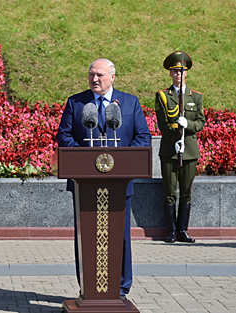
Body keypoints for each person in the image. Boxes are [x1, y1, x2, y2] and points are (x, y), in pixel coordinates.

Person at [56, 58, 151, 299]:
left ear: (112, 77)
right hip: (84, 184)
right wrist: (85, 158)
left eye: (99, 75)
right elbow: (64, 136)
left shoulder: (129, 103)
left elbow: (143, 137)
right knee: (85, 236)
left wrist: (123, 161)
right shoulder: (76, 103)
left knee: (120, 237)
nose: (94, 79)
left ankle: (120, 289)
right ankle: (88, 287)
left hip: (119, 183)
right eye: (91, 74)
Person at [155, 51, 205, 243]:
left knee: (186, 190)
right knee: (169, 190)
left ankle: (183, 230)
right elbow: (162, 123)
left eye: (182, 71)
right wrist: (174, 138)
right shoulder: (162, 96)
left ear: (187, 73)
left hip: (190, 151)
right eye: (175, 71)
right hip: (170, 149)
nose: (178, 75)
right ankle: (171, 231)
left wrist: (188, 126)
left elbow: (200, 122)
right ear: (170, 73)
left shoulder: (196, 97)